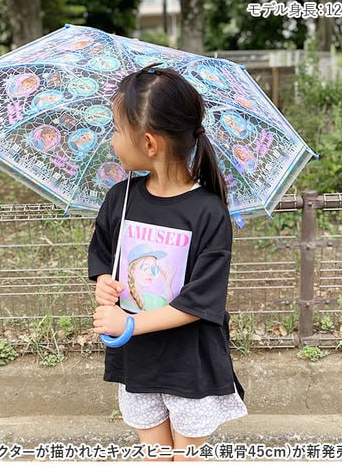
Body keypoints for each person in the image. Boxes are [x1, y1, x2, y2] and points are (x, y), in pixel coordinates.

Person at [88, 65, 247, 462]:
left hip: (188, 365)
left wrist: (129, 324)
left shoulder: (208, 213)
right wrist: (104, 282)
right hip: (138, 361)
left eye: (116, 129)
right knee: (154, 455)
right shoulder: (120, 198)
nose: (111, 140)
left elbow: (200, 302)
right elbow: (104, 257)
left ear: (148, 143)